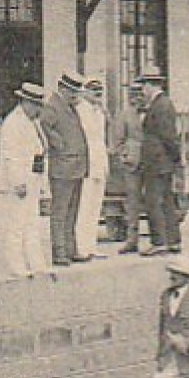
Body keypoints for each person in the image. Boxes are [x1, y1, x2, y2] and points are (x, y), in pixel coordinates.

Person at [0, 82, 50, 280]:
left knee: (32, 223)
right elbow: (10, 156)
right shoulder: (13, 123)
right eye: (34, 104)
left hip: (33, 178)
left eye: (39, 105)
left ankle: (36, 263)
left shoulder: (32, 122)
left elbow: (39, 152)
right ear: (24, 102)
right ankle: (16, 264)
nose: (37, 109)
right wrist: (17, 181)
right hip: (19, 181)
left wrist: (40, 182)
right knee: (17, 224)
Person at [41, 72, 90, 267]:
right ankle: (59, 252)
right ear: (61, 88)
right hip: (62, 167)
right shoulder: (53, 106)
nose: (74, 95)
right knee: (60, 212)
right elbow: (44, 125)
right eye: (71, 91)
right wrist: (57, 143)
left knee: (72, 211)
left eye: (76, 91)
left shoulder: (69, 107)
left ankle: (71, 249)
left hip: (75, 167)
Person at [136, 72, 182, 254]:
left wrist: (174, 157)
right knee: (167, 202)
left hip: (157, 162)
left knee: (153, 202)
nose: (142, 90)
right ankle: (172, 241)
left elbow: (167, 136)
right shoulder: (162, 103)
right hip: (162, 161)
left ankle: (160, 242)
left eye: (143, 86)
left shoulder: (161, 105)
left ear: (150, 85)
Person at [73, 76, 111, 261]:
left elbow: (101, 141)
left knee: (95, 207)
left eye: (99, 91)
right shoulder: (80, 111)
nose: (97, 94)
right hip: (87, 165)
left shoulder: (100, 112)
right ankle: (82, 247)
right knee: (84, 206)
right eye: (93, 90)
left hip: (99, 164)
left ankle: (91, 246)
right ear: (84, 92)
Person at [108, 80, 146, 254]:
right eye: (134, 94)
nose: (137, 97)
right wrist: (126, 156)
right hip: (132, 165)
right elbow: (117, 141)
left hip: (151, 163)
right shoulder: (124, 115)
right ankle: (132, 240)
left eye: (140, 93)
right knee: (132, 203)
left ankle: (159, 241)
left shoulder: (152, 112)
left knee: (154, 201)